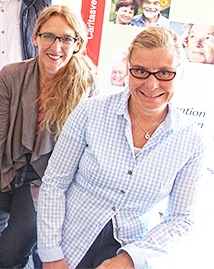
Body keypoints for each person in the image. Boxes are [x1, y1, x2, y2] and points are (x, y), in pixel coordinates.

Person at [37, 26, 207, 269]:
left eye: (164, 73)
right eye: (140, 71)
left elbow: (181, 219)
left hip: (133, 247)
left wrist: (131, 258)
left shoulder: (191, 139)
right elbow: (54, 183)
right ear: (127, 69)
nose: (151, 84)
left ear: (180, 73)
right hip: (69, 242)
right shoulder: (90, 112)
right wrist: (51, 254)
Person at [0, 6, 99, 268]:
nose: (56, 46)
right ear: (35, 37)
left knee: (8, 254)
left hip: (45, 183)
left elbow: (85, 153)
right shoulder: (12, 76)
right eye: (48, 36)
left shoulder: (88, 85)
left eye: (66, 39)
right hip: (6, 171)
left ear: (77, 43)